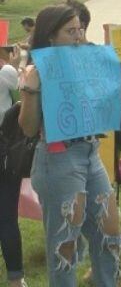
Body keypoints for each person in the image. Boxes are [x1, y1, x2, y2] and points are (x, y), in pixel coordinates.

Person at [20, 4, 121, 286]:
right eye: (70, 31)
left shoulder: (87, 62)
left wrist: (108, 71)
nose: (78, 36)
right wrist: (30, 88)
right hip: (58, 159)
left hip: (90, 152)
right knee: (65, 244)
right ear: (51, 37)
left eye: (80, 29)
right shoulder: (37, 70)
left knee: (109, 232)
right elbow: (28, 128)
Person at [0, 45, 23, 287]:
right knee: (6, 217)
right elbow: (22, 90)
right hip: (4, 151)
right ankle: (15, 279)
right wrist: (14, 65)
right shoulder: (6, 71)